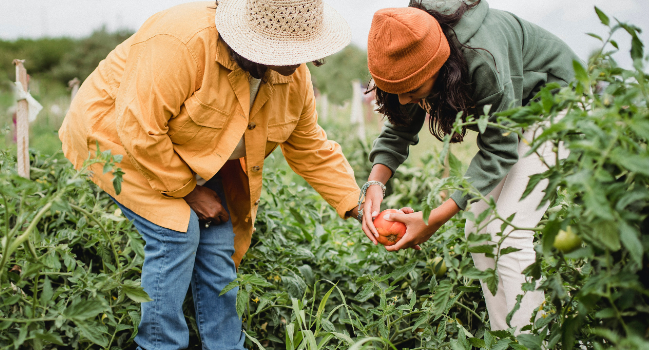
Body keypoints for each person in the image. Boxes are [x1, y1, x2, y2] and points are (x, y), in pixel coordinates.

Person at [58, 1, 361, 348]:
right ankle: (159, 344)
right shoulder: (182, 42)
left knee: (219, 240)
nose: (295, 64)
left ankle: (226, 344)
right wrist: (190, 191)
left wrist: (358, 205)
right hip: (117, 139)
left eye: (303, 51)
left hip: (188, 149)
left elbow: (310, 146)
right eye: (285, 52)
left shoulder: (291, 76)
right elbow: (139, 129)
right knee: (177, 233)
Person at [359, 0, 578, 333]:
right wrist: (374, 185)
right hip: (522, 115)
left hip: (561, 103)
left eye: (413, 90)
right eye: (396, 91)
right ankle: (505, 336)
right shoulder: (415, 47)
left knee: (510, 232)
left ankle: (532, 340)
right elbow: (400, 128)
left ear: (440, 68)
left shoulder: (480, 58)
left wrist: (431, 220)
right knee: (478, 230)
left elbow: (499, 149)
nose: (404, 101)